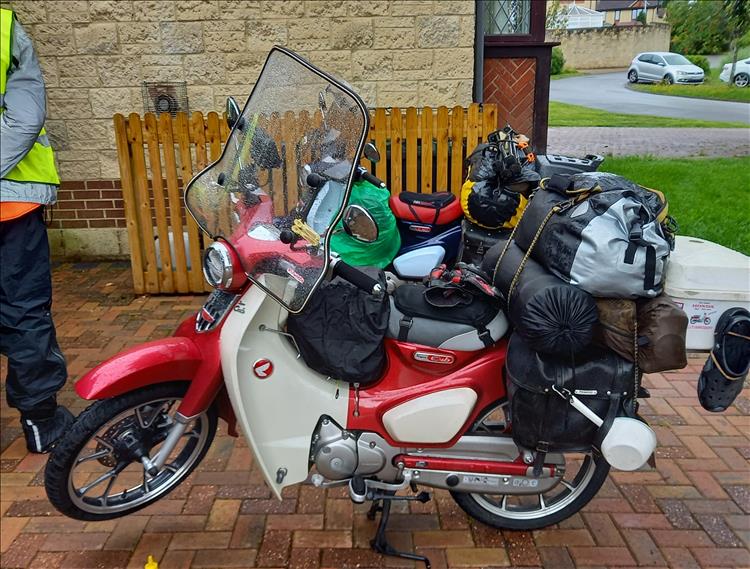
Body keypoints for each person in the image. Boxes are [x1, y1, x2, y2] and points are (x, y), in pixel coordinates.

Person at [0, 7, 73, 453]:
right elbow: (25, 119)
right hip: (11, 206)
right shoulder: (4, 28)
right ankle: (41, 421)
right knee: (24, 309)